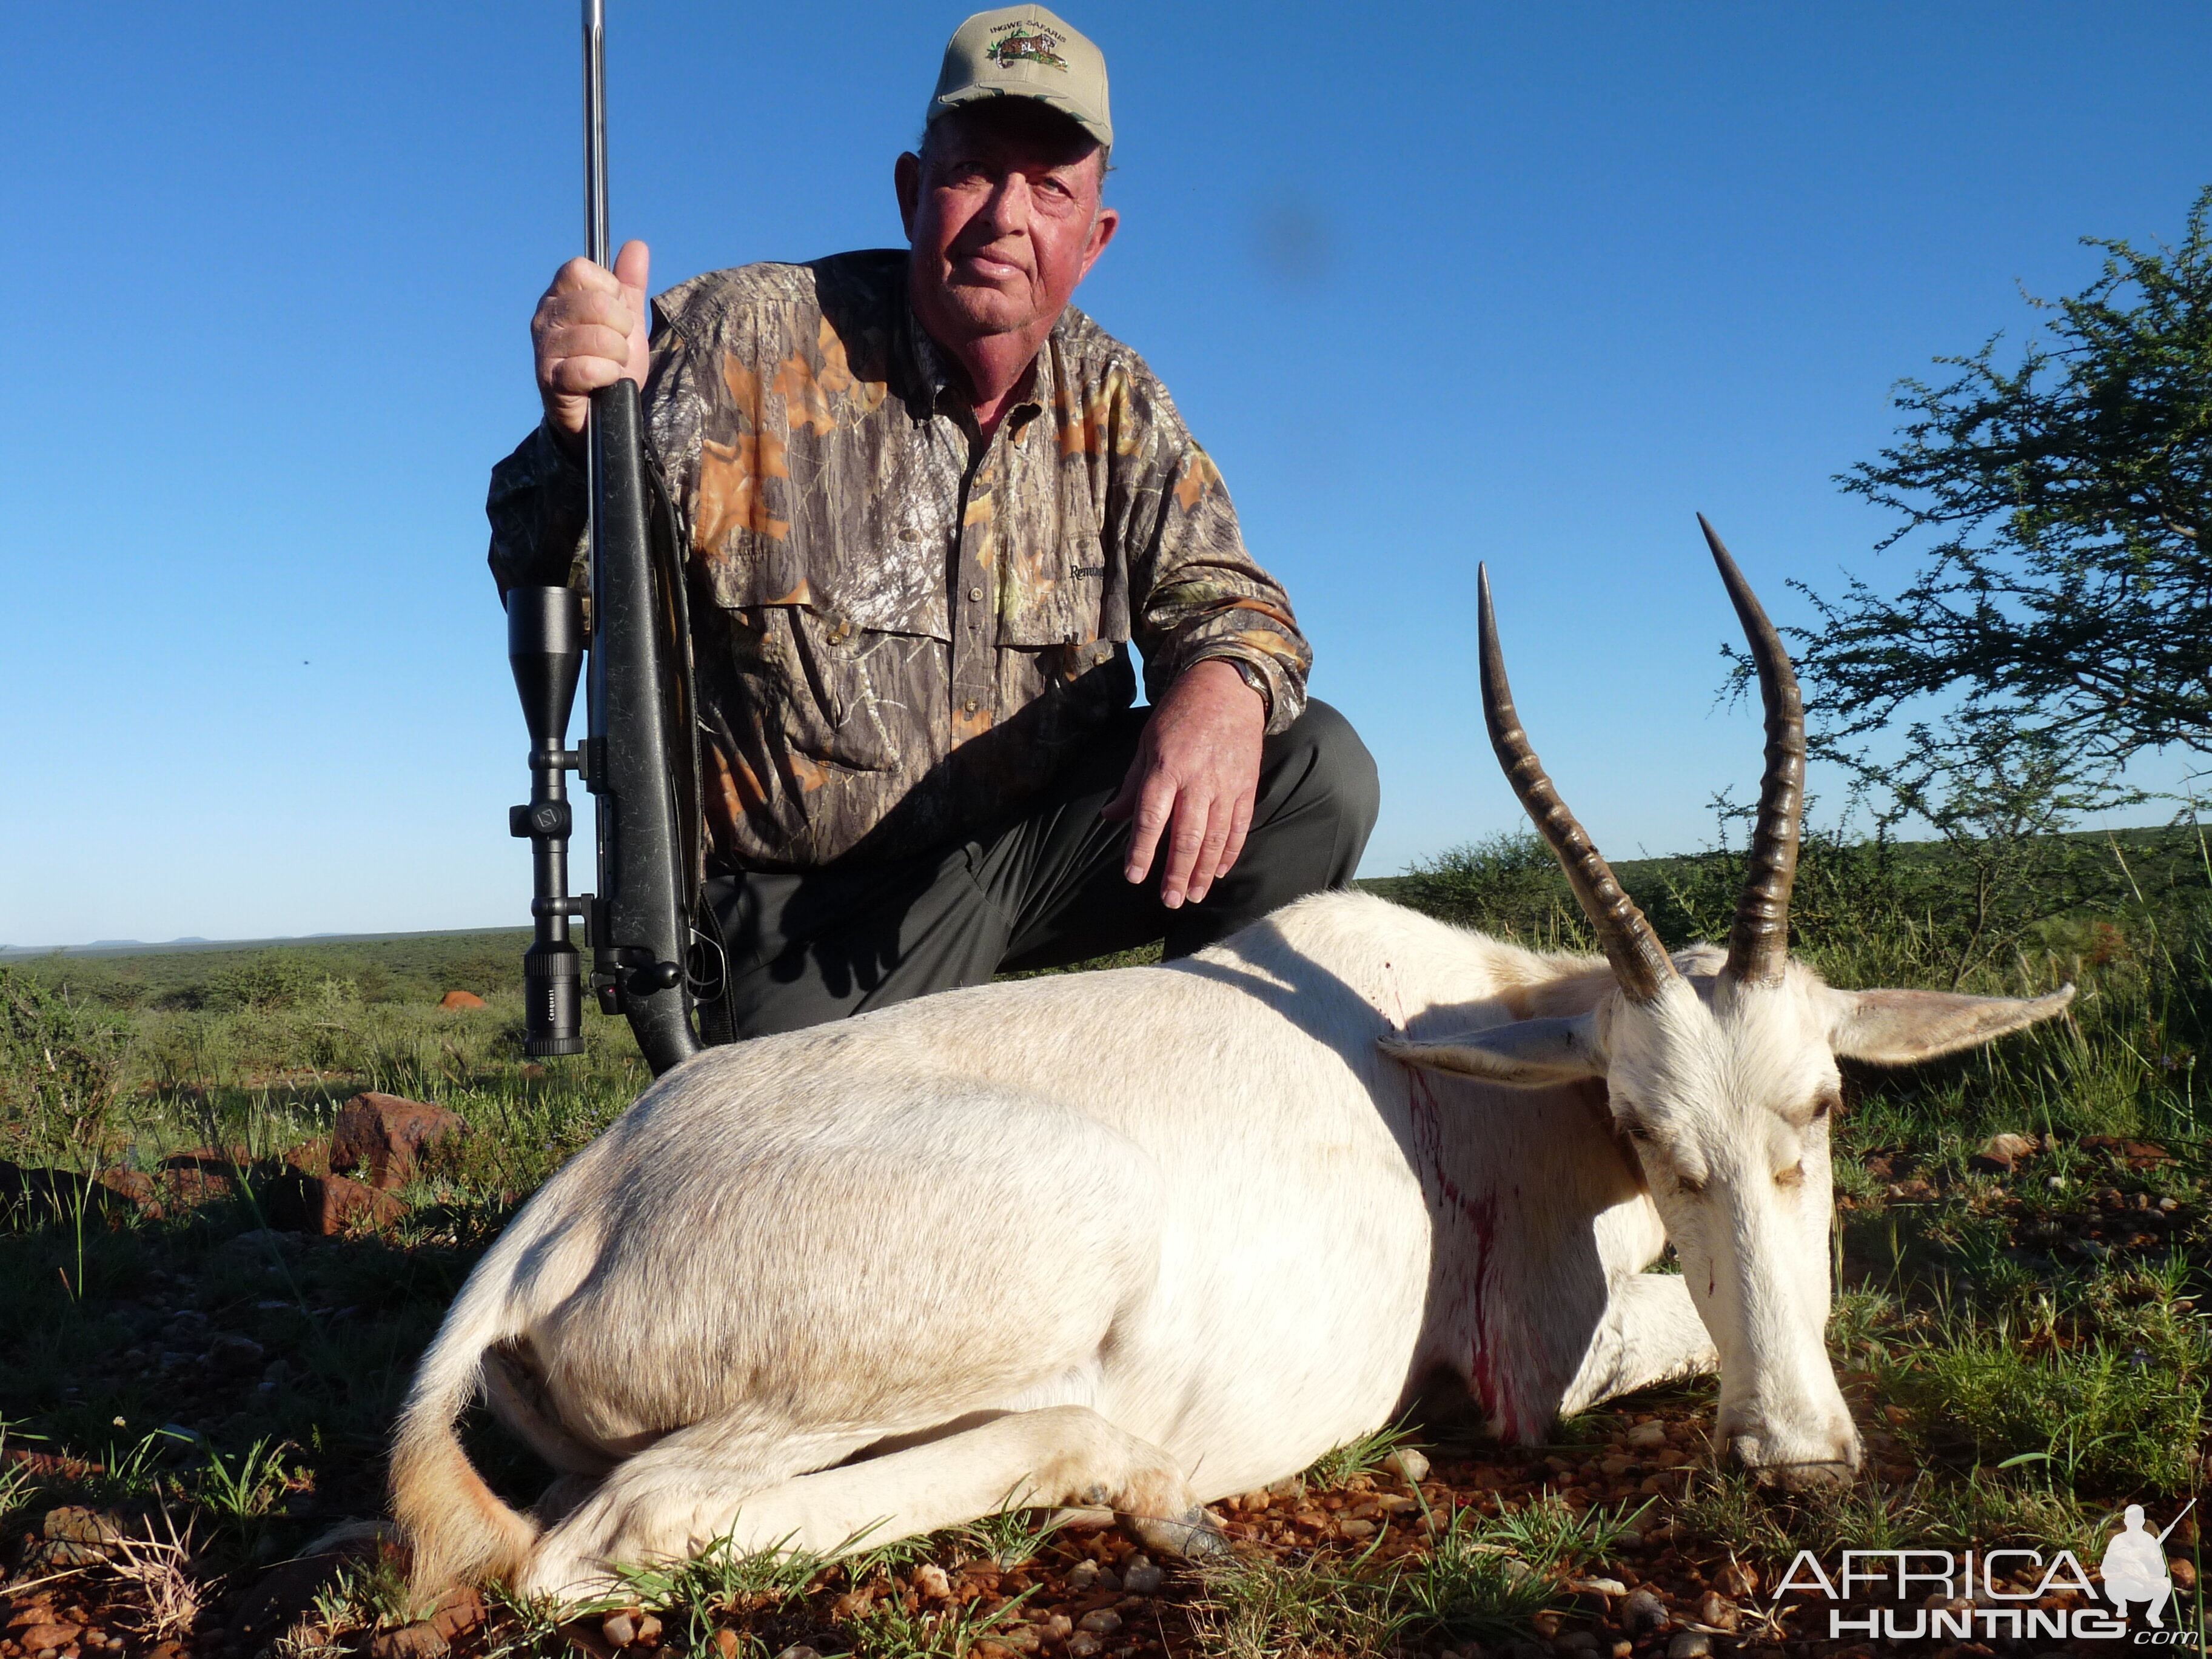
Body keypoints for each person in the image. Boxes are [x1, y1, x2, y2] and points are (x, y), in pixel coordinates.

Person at [488, 5, 1377, 1039]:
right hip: (806, 923)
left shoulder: (1116, 400)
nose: (1007, 213)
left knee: (1313, 771)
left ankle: (1201, 1101)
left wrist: (1223, 684)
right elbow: (545, 569)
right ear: (914, 192)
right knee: (854, 1188)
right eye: (974, 171)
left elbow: (1234, 599)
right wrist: (570, 436)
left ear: (1092, 240)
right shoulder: (741, 341)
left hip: (1016, 866)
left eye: (1050, 187)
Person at [2099, 1506, 2173, 1627]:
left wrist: (2152, 1566)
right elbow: (2108, 1565)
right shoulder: (2117, 1539)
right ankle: (2124, 1610)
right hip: (2121, 1583)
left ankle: (2153, 1615)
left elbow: (2160, 1567)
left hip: (2145, 1580)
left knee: (2166, 1583)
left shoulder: (2148, 1540)